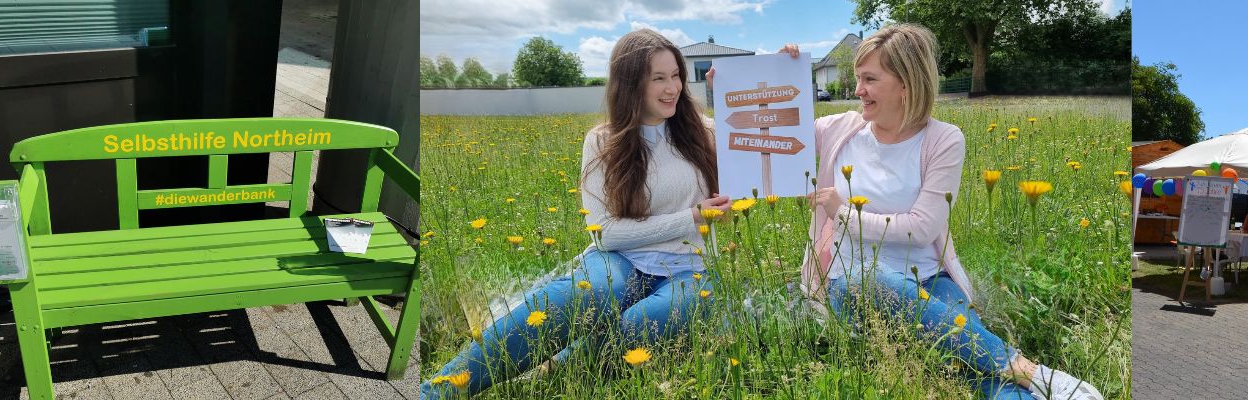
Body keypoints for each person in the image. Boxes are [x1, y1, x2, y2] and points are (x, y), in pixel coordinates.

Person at [712, 24, 1101, 400]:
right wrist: (736, 85)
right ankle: (1030, 370)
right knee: (870, 283)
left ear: (906, 84)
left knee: (965, 357)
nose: (857, 90)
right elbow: (757, 134)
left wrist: (843, 213)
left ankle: (1032, 384)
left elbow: (922, 227)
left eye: (869, 79)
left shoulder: (944, 139)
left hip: (928, 279)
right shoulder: (837, 129)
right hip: (851, 285)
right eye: (857, 78)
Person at [421, 29, 730, 399]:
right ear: (630, 85)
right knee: (593, 292)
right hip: (620, 258)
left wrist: (736, 91)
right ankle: (437, 391)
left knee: (644, 322)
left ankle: (561, 365)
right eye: (658, 78)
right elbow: (606, 234)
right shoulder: (603, 141)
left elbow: (766, 131)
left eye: (677, 75)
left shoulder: (705, 132)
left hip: (689, 266)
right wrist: (692, 218)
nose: (673, 87)